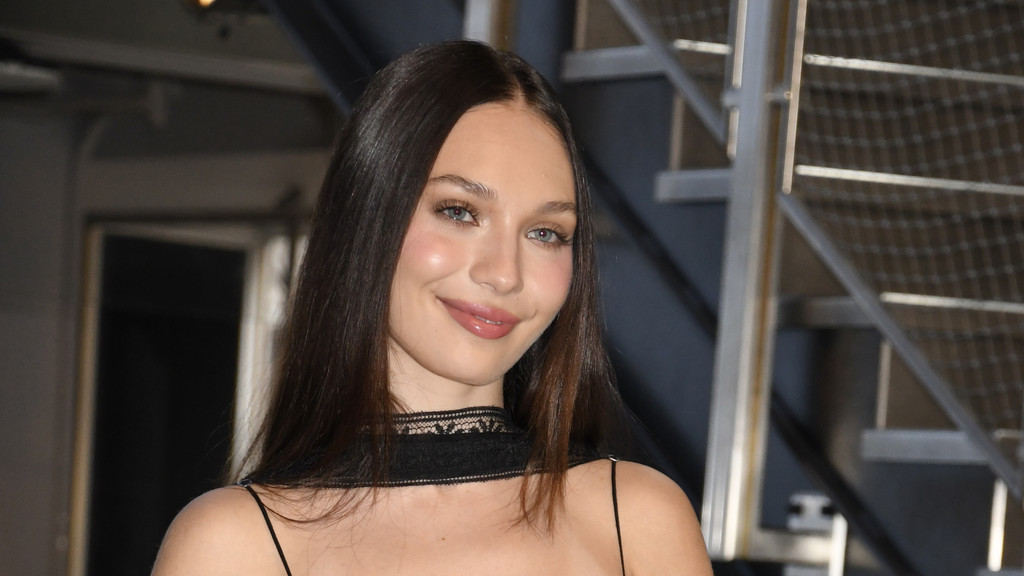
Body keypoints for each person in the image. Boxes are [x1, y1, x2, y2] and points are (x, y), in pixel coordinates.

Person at [151, 40, 712, 576]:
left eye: (545, 232)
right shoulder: (235, 542)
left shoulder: (635, 518)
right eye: (460, 211)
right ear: (367, 219)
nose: (504, 273)